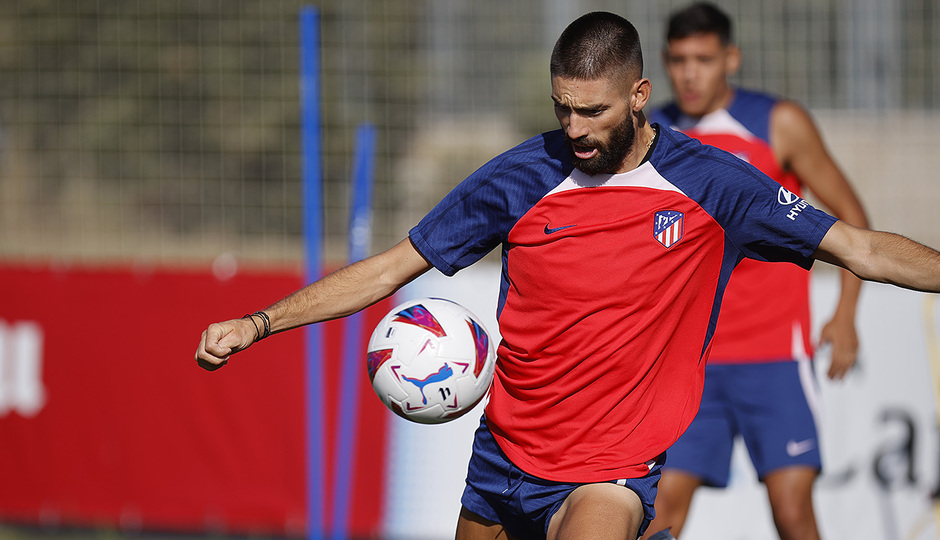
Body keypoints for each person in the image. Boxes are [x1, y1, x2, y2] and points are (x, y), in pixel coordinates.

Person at [195, 11, 940, 540]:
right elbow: (392, 267)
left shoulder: (715, 184)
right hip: (503, 455)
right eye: (562, 109)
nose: (574, 129)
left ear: (640, 96)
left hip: (610, 469)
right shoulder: (522, 174)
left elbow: (861, 249)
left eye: (592, 111)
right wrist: (259, 323)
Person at [643, 4, 869, 539]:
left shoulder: (779, 123)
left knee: (792, 512)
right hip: (688, 361)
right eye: (678, 60)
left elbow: (851, 217)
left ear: (731, 58)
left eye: (703, 58)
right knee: (658, 513)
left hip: (774, 354)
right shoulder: (654, 136)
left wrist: (845, 315)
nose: (690, 73)